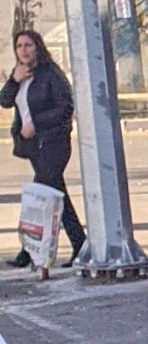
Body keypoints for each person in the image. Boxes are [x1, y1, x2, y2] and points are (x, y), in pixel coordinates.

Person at [7, 28, 85, 264]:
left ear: (38, 46)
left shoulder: (51, 73)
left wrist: (37, 124)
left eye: (28, 45)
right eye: (19, 46)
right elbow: (4, 101)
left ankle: (28, 251)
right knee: (56, 194)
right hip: (34, 147)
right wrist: (13, 80)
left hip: (54, 143)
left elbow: (65, 108)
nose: (24, 50)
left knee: (39, 194)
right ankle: (81, 244)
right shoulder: (19, 74)